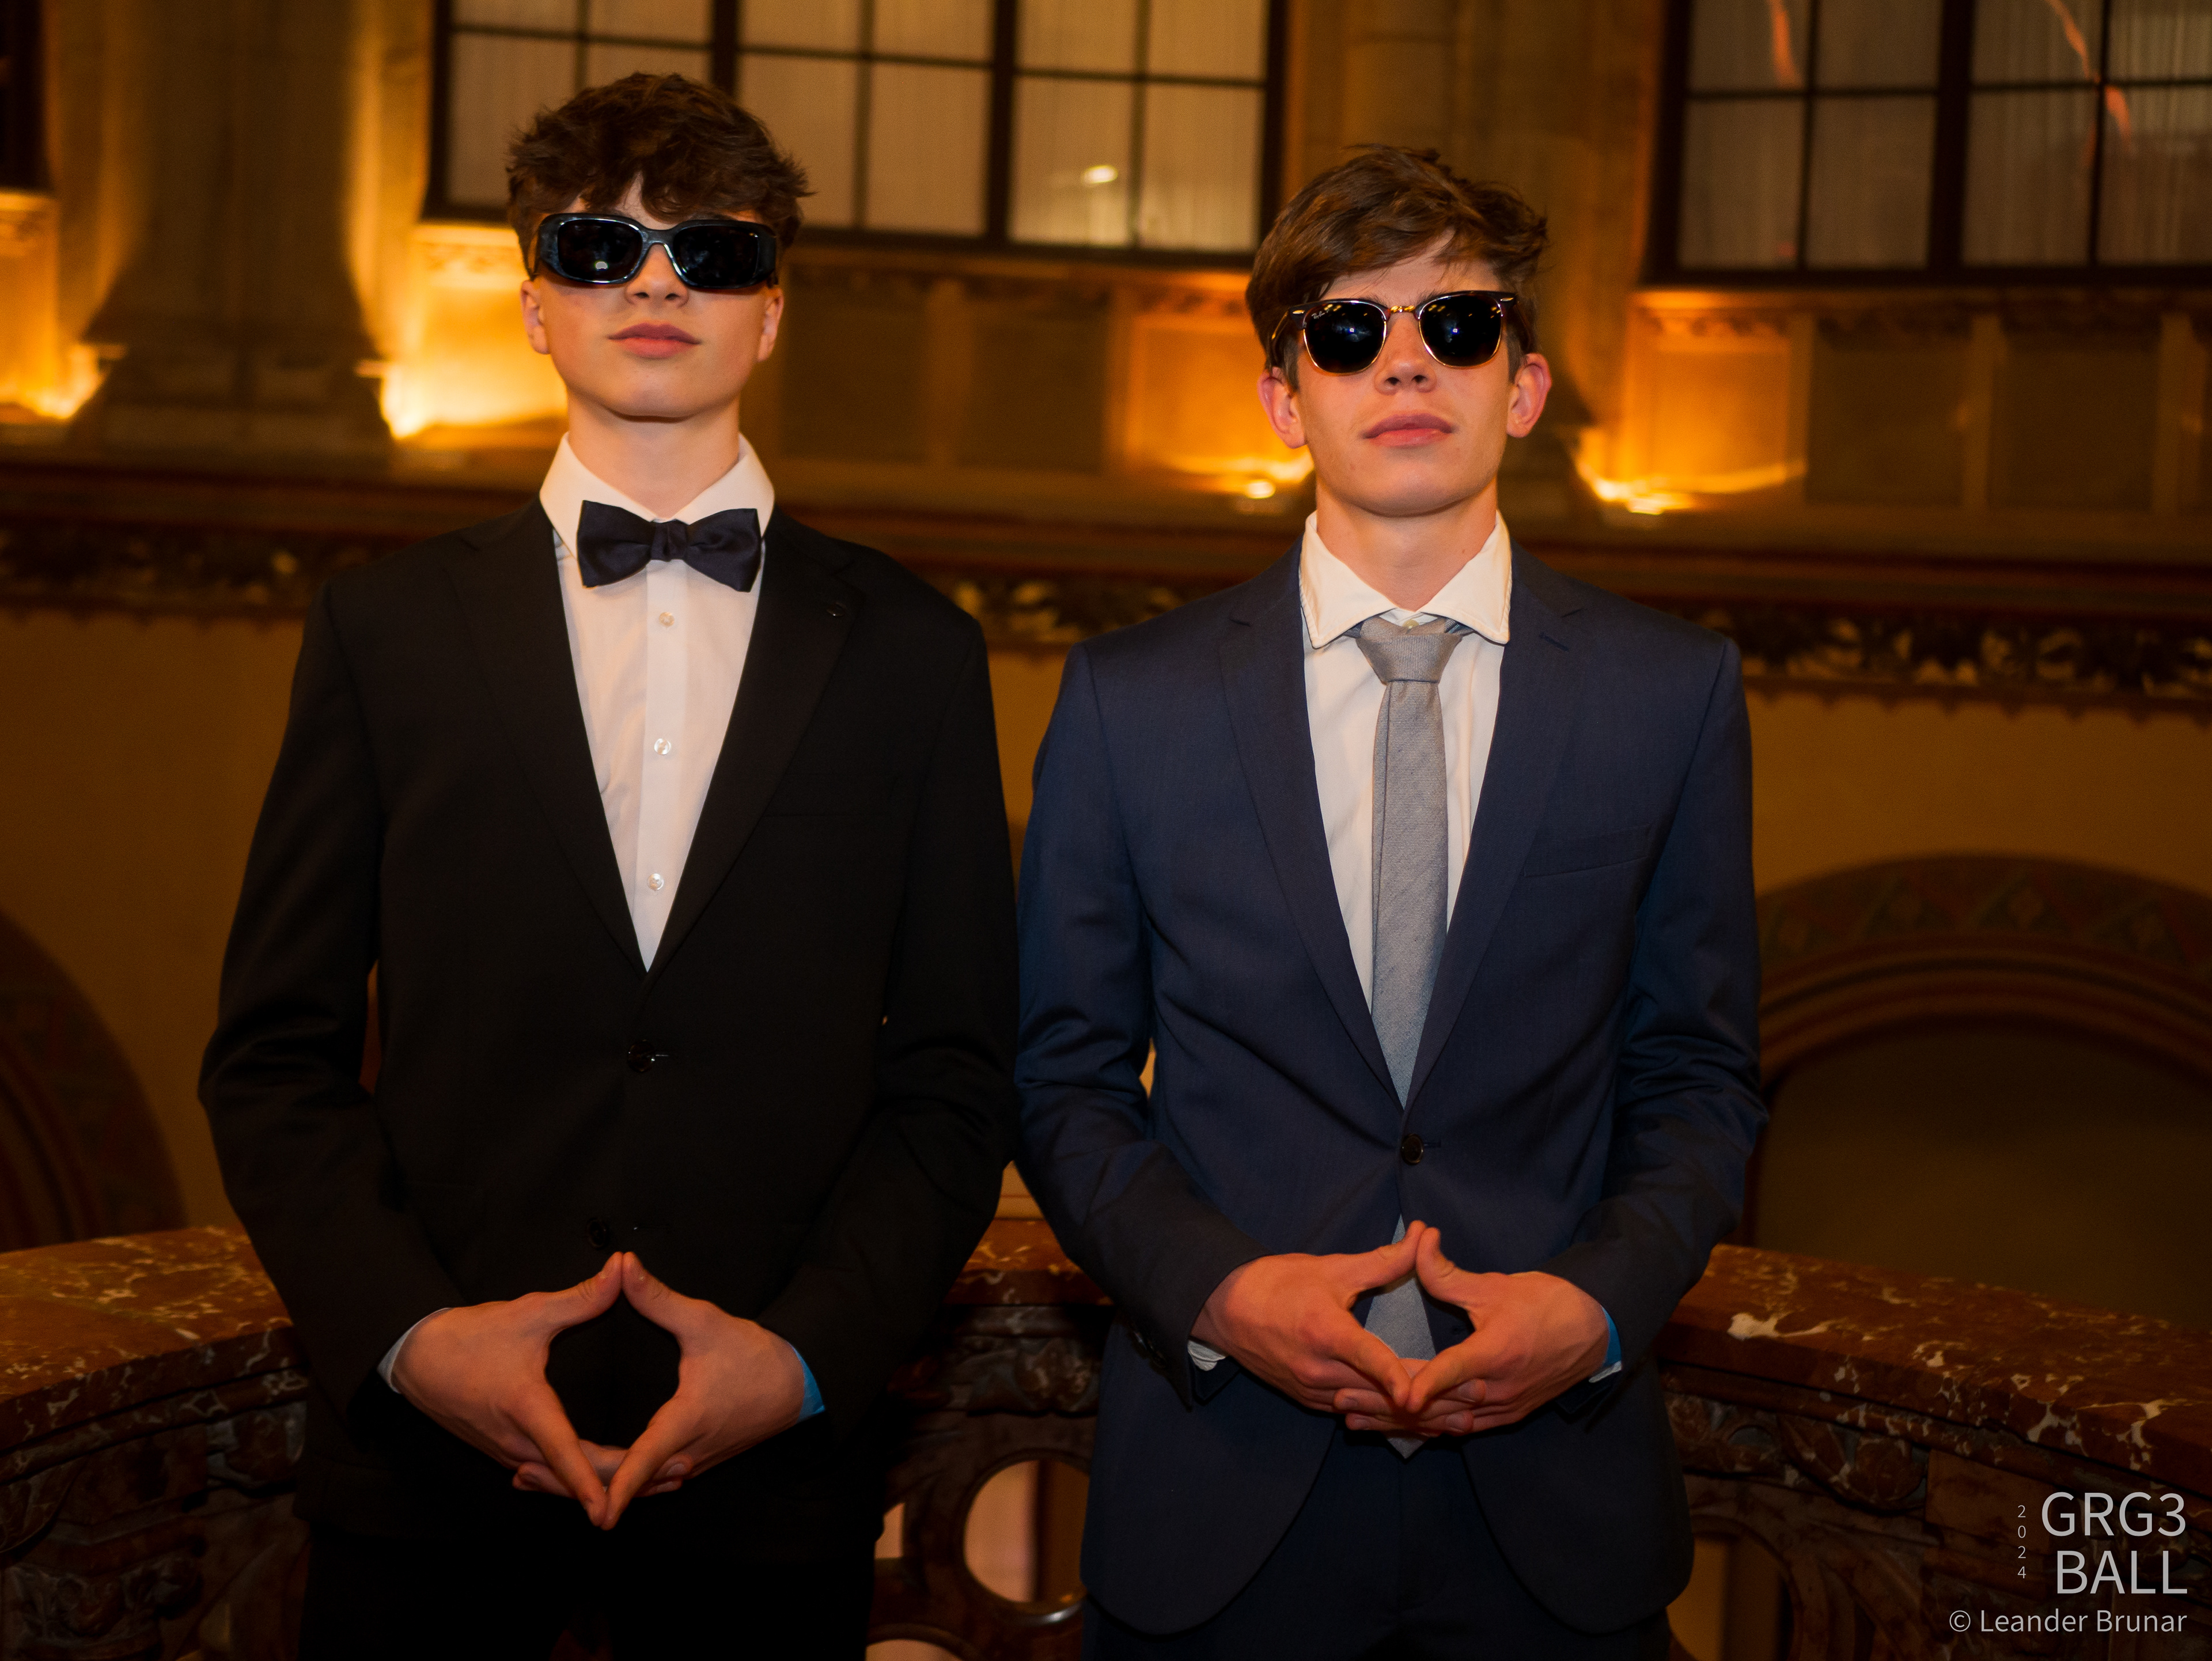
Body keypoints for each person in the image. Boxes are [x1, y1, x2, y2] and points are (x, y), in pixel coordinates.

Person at [200, 74, 1017, 1659]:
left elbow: (958, 1077)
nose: (656, 283)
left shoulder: (918, 652)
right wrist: (414, 1337)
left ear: (769, 315)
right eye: (600, 248)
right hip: (424, 1496)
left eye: (712, 251)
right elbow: (271, 1059)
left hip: (772, 1501)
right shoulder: (383, 631)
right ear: (534, 307)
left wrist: (803, 1356)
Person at [1016, 146, 1765, 1657]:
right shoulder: (1126, 701)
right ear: (1285, 398)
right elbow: (1063, 1078)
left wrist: (1595, 1307)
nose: (1407, 363)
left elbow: (1698, 1073)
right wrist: (1221, 1292)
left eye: (1458, 326)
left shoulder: (1671, 694)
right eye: (1350, 331)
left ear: (1524, 388)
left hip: (1554, 1511)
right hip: (1223, 1496)